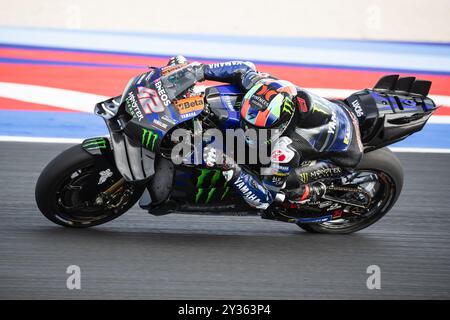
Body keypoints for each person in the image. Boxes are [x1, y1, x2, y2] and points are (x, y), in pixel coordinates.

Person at [163, 56, 363, 209]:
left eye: (256, 129)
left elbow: (262, 199)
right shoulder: (265, 87)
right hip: (334, 113)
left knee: (285, 191)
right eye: (246, 123)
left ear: (280, 126)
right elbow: (243, 68)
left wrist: (229, 166)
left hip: (342, 156)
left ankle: (308, 194)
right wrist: (195, 72)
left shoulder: (285, 150)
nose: (247, 131)